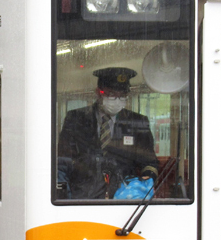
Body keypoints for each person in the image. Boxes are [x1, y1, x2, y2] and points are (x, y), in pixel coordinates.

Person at [56, 67, 159, 199]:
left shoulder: (137, 122)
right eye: (111, 95)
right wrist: (64, 196)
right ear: (98, 92)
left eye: (122, 96)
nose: (117, 100)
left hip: (123, 197)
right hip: (82, 198)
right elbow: (63, 161)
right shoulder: (76, 119)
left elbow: (149, 162)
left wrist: (146, 182)